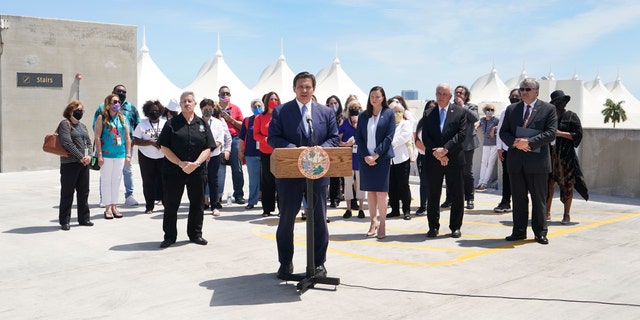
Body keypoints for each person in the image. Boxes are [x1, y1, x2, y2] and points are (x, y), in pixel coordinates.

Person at [268, 72, 339, 279]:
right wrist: (295, 150)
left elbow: (334, 138)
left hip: (318, 174)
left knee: (319, 220)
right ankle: (285, 262)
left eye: (308, 87)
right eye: (300, 87)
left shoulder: (325, 112)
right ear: (294, 89)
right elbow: (273, 138)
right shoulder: (281, 111)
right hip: (289, 175)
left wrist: (319, 149)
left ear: (314, 89)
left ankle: (318, 264)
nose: (304, 90)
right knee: (286, 220)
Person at [499, 78, 557, 245]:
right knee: (518, 199)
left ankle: (540, 232)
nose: (523, 92)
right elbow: (503, 133)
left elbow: (551, 133)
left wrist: (529, 143)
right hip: (516, 162)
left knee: (538, 199)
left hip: (538, 163)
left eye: (527, 89)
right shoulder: (511, 110)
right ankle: (518, 231)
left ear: (536, 92)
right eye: (522, 89)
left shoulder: (548, 109)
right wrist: (517, 143)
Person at [157, 91, 214, 248]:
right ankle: (169, 236)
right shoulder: (171, 124)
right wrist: (180, 163)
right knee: (171, 204)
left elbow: (208, 147)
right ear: (180, 105)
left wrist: (195, 164)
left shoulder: (202, 124)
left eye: (190, 101)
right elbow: (164, 147)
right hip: (174, 171)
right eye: (184, 101)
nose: (187, 103)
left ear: (195, 104)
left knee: (197, 203)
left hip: (197, 171)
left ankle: (195, 234)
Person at [422, 83, 467, 238]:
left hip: (454, 159)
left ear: (450, 96)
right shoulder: (428, 113)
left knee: (457, 194)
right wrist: (438, 153)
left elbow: (461, 135)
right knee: (433, 194)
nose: (440, 97)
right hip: (434, 159)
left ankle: (455, 226)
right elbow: (425, 136)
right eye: (438, 93)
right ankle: (433, 226)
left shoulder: (460, 112)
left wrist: (445, 150)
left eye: (444, 94)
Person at [355, 86, 396, 239]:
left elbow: (389, 138)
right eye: (372, 96)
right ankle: (373, 221)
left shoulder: (389, 114)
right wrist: (366, 155)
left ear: (383, 98)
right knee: (370, 192)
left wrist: (376, 155)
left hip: (382, 158)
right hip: (365, 159)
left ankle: (383, 223)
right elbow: (358, 136)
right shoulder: (363, 116)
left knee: (381, 193)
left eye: (377, 96)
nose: (374, 99)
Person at [92, 84, 140, 207]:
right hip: (107, 147)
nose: (121, 93)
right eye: (119, 91)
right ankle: (105, 199)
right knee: (106, 174)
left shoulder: (130, 107)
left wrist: (132, 141)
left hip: (124, 147)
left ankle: (129, 195)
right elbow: (95, 127)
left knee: (126, 171)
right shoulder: (102, 108)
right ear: (112, 92)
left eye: (124, 91)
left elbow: (137, 124)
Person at [546, 90, 589, 224]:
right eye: (558, 101)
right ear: (553, 103)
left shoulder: (572, 116)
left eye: (563, 100)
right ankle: (546, 212)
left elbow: (578, 135)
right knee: (548, 184)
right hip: (549, 155)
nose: (561, 103)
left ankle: (566, 214)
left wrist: (560, 134)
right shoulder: (549, 117)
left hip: (566, 157)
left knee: (568, 185)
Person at [95, 94, 132, 220]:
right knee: (106, 181)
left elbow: (127, 137)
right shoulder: (102, 118)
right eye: (114, 101)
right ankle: (107, 207)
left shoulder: (123, 118)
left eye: (118, 102)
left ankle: (114, 206)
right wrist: (99, 154)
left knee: (116, 180)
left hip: (120, 154)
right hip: (106, 154)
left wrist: (128, 154)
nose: (117, 104)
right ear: (108, 104)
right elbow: (97, 137)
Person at [441, 85, 479, 210]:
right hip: (453, 145)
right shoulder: (450, 107)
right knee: (450, 172)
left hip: (467, 144)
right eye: (456, 93)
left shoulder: (471, 106)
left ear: (466, 96)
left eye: (461, 93)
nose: (458, 95)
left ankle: (470, 198)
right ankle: (449, 198)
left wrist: (462, 106)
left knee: (467, 172)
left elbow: (474, 117)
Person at [58, 100, 93, 230]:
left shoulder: (83, 126)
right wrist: (80, 157)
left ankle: (84, 218)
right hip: (70, 164)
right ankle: (64, 220)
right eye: (77, 110)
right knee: (68, 192)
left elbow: (89, 142)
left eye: (81, 110)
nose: (80, 112)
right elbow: (67, 143)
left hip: (84, 163)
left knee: (84, 192)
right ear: (70, 111)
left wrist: (89, 155)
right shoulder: (65, 124)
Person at [133, 100, 166, 214]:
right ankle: (149, 206)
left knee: (164, 181)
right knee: (148, 182)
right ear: (147, 112)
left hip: (162, 156)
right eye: (152, 111)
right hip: (146, 156)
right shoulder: (142, 124)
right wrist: (150, 142)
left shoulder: (165, 123)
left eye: (156, 110)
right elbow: (135, 140)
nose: (154, 112)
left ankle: (166, 203)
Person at [218, 86, 246, 204]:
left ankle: (238, 194)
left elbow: (243, 126)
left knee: (237, 168)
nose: (225, 95)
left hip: (234, 138)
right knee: (218, 169)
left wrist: (231, 120)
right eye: (222, 93)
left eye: (227, 93)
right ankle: (217, 195)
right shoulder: (215, 108)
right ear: (218, 95)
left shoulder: (236, 108)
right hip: (219, 140)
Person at [493, 89, 520, 213]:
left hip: (521, 149)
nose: (514, 98)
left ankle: (520, 203)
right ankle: (505, 202)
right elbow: (500, 131)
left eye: (517, 96)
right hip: (507, 149)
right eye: (512, 96)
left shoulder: (525, 112)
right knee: (507, 176)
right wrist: (499, 148)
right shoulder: (506, 112)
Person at [386, 101, 413, 221]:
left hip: (402, 158)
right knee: (392, 186)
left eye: (399, 112)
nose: (397, 114)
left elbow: (404, 137)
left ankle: (406, 210)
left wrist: (390, 143)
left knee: (403, 185)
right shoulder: (387, 124)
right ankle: (394, 209)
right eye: (395, 112)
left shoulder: (406, 124)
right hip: (389, 160)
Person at [254, 92, 280, 217]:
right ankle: (267, 208)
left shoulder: (281, 116)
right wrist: (265, 139)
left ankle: (282, 208)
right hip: (266, 152)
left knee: (281, 181)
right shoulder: (259, 117)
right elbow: (256, 134)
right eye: (271, 99)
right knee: (268, 181)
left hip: (279, 152)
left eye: (275, 99)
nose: (273, 101)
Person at [339, 100, 365, 219]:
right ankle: (348, 208)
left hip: (360, 156)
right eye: (353, 108)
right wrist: (345, 144)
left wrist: (357, 127)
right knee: (348, 182)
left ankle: (361, 208)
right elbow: (337, 140)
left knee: (360, 183)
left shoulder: (364, 122)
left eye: (358, 108)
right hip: (348, 157)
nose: (355, 110)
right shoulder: (344, 123)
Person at [200, 99, 226, 217]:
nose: (208, 110)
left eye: (210, 108)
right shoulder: (196, 122)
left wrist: (209, 151)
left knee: (213, 180)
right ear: (201, 109)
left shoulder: (218, 122)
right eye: (205, 108)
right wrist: (204, 153)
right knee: (200, 180)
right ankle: (200, 204)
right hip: (200, 156)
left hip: (214, 155)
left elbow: (220, 139)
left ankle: (214, 205)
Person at [239, 99, 264, 210]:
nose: (257, 108)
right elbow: (241, 137)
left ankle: (268, 204)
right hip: (251, 153)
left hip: (266, 153)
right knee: (253, 180)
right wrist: (241, 151)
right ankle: (252, 201)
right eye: (255, 106)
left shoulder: (268, 119)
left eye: (259, 105)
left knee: (267, 180)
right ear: (251, 108)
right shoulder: (247, 121)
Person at [414, 100, 436, 215]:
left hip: (436, 157)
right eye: (429, 108)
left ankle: (433, 205)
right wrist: (428, 152)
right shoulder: (419, 123)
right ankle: (423, 205)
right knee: (423, 182)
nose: (430, 111)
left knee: (434, 183)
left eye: (433, 108)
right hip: (423, 157)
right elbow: (416, 141)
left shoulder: (439, 124)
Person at [475, 103, 500, 191]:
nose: (489, 111)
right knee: (483, 162)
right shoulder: (483, 120)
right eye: (488, 109)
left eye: (492, 110)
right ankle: (480, 182)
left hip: (494, 143)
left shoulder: (496, 119)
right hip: (486, 143)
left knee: (490, 163)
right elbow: (478, 123)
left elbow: (502, 125)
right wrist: (477, 126)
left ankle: (485, 183)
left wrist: (494, 128)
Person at [326, 95, 344, 208]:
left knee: (337, 176)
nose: (333, 105)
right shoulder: (325, 117)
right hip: (328, 147)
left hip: (339, 149)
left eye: (335, 103)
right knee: (329, 175)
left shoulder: (343, 119)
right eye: (331, 103)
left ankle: (336, 198)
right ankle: (331, 197)